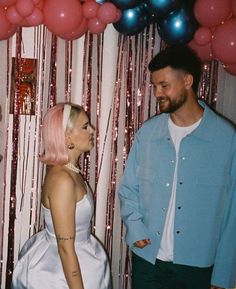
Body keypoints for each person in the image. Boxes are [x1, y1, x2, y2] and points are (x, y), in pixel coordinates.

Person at [118, 45, 236, 289]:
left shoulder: (227, 140)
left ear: (187, 81)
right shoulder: (148, 134)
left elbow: (233, 214)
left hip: (197, 269)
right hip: (147, 261)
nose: (156, 93)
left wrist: (223, 274)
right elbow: (128, 190)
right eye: (154, 86)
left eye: (164, 85)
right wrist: (136, 229)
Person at [12, 103, 111, 289]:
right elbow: (65, 248)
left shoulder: (70, 172)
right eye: (85, 126)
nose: (92, 130)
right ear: (67, 138)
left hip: (82, 255)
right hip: (60, 271)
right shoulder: (63, 181)